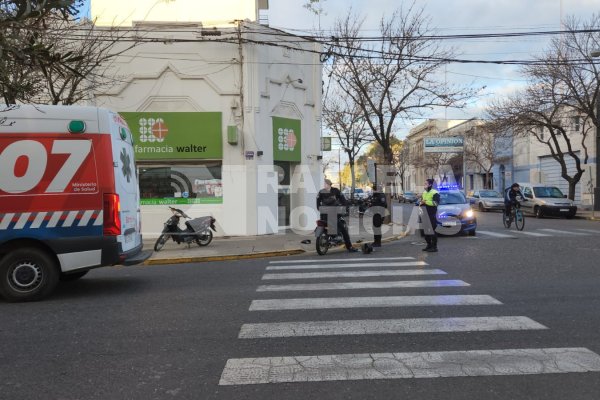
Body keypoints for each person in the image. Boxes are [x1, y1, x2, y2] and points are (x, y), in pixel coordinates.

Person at [317, 179, 358, 252]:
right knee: (344, 230)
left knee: (338, 226)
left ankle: (334, 236)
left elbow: (343, 199)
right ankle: (350, 247)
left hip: (328, 213)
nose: (324, 185)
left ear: (329, 184)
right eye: (324, 184)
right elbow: (318, 202)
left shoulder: (335, 191)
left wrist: (345, 206)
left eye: (325, 184)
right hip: (330, 214)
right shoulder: (322, 192)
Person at [419, 178, 440, 252]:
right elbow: (421, 201)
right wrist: (420, 203)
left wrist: (426, 202)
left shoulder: (435, 193)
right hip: (424, 214)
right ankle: (429, 245)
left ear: (430, 184)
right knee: (426, 231)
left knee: (432, 231)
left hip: (431, 214)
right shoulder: (424, 192)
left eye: (426, 184)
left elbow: (436, 203)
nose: (424, 185)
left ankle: (434, 247)